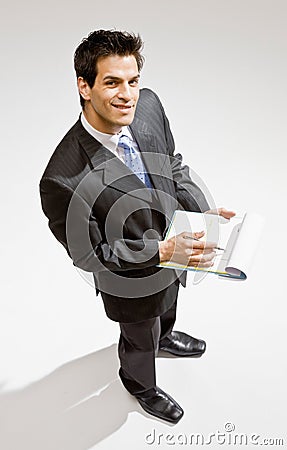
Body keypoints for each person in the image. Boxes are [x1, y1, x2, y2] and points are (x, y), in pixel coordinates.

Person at [39, 29, 235, 424]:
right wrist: (159, 252)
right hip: (128, 279)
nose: (127, 95)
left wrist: (201, 210)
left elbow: (171, 163)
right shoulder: (62, 179)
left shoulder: (148, 106)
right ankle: (138, 382)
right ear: (84, 86)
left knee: (168, 307)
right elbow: (89, 254)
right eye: (111, 82)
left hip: (174, 247)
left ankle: (165, 337)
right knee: (138, 334)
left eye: (132, 81)